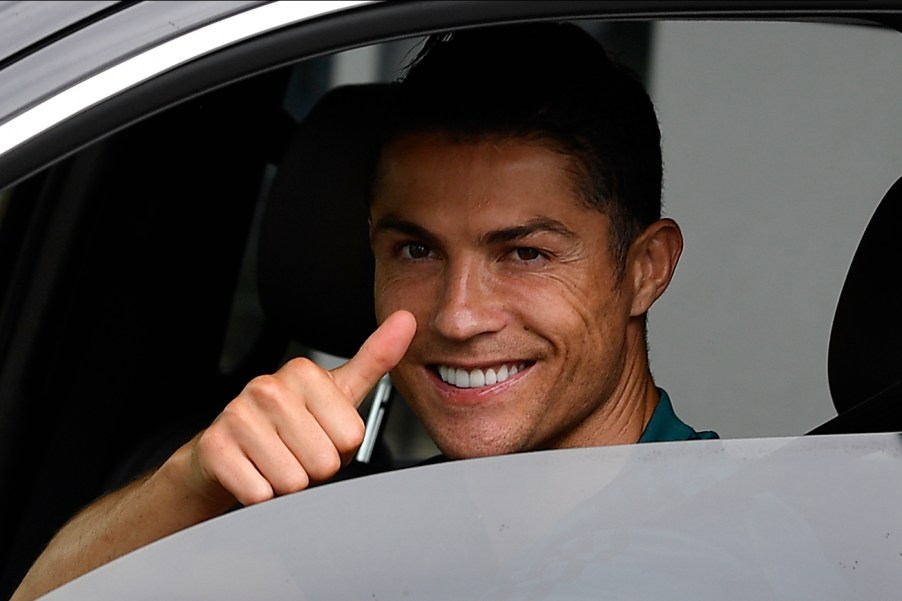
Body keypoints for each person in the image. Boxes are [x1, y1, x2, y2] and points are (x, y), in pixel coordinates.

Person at [11, 21, 716, 601]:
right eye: (417, 250)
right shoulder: (353, 526)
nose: (458, 316)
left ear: (645, 269)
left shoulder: (738, 543)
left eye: (525, 253)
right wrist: (192, 478)